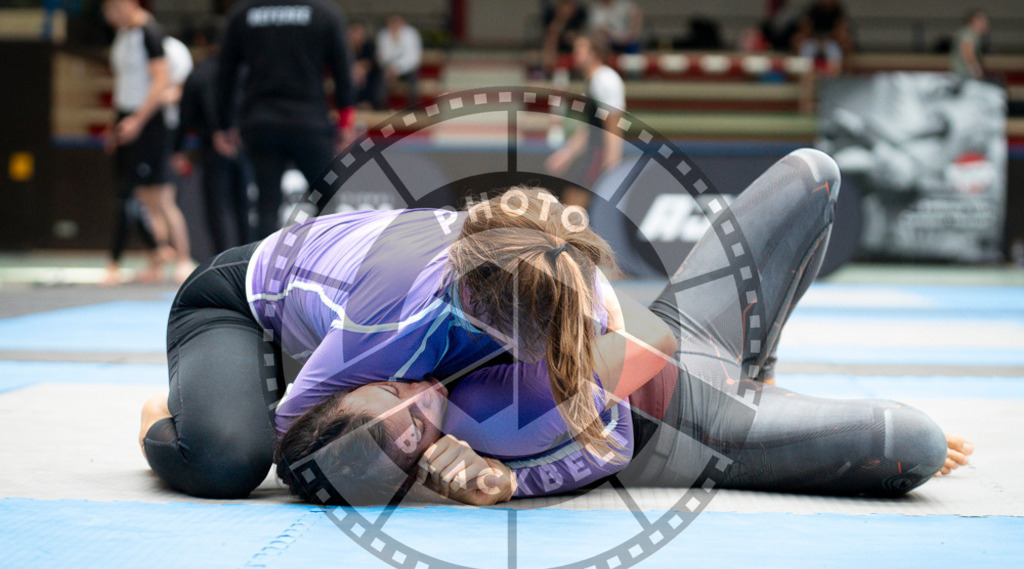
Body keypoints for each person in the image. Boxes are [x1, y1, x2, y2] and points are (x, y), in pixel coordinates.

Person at [269, 150, 972, 506]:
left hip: (683, 338)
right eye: (406, 419)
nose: (411, 393)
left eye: (392, 394)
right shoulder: (482, 418)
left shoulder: (553, 317)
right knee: (909, 441)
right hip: (702, 422)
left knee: (814, 174)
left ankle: (761, 372)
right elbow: (660, 397)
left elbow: (644, 347)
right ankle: (764, 391)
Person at [138, 188, 621, 499]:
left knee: (497, 420)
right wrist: (386, 465)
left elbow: (616, 435)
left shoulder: (578, 294)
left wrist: (511, 480)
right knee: (226, 462)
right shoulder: (392, 322)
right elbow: (298, 454)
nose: (415, 391)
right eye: (396, 389)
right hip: (243, 306)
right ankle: (164, 412)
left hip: (384, 325)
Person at [215, 0, 355, 240]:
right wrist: (345, 121)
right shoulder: (323, 12)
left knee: (266, 204)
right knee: (327, 197)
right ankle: (324, 264)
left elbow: (225, 73)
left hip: (261, 121)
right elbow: (343, 68)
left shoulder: (244, 13)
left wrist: (223, 125)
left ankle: (262, 273)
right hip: (308, 121)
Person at [102, 0, 194, 285]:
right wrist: (117, 125)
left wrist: (138, 121)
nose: (109, 16)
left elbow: (165, 83)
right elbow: (125, 88)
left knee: (160, 198)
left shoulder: (153, 36)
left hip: (151, 125)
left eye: (112, 8)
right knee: (144, 199)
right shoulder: (124, 36)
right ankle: (157, 256)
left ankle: (182, 259)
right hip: (131, 118)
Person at [172, 43, 252, 251]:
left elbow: (186, 115)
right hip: (242, 145)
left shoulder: (200, 73)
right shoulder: (245, 69)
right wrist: (238, 132)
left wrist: (179, 149)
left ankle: (221, 257)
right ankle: (249, 257)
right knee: (243, 205)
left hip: (213, 147)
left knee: (216, 207)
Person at [545, 32, 625, 209]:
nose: (575, 53)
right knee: (572, 204)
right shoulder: (593, 80)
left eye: (581, 49)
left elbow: (613, 125)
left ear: (594, 53)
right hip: (593, 153)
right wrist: (566, 154)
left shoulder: (605, 79)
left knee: (573, 206)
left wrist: (613, 163)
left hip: (599, 154)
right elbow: (590, 128)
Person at [375, 14, 422, 109]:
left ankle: (413, 108)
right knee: (379, 79)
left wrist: (398, 68)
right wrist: (391, 69)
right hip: (388, 69)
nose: (395, 26)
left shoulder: (411, 34)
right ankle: (380, 107)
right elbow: (382, 56)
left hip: (407, 69)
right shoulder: (383, 35)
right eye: (392, 23)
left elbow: (413, 57)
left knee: (413, 82)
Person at [348, 20, 382, 109]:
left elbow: (372, 62)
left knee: (369, 76)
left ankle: (367, 102)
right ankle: (351, 102)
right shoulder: (345, 48)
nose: (357, 36)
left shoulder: (369, 46)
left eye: (359, 33)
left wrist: (361, 68)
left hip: (367, 75)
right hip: (350, 73)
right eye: (354, 33)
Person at [951, 9, 989, 80]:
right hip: (964, 74)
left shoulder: (971, 34)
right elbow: (967, 51)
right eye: (982, 20)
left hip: (964, 73)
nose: (985, 23)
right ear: (973, 21)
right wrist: (976, 69)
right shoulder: (969, 33)